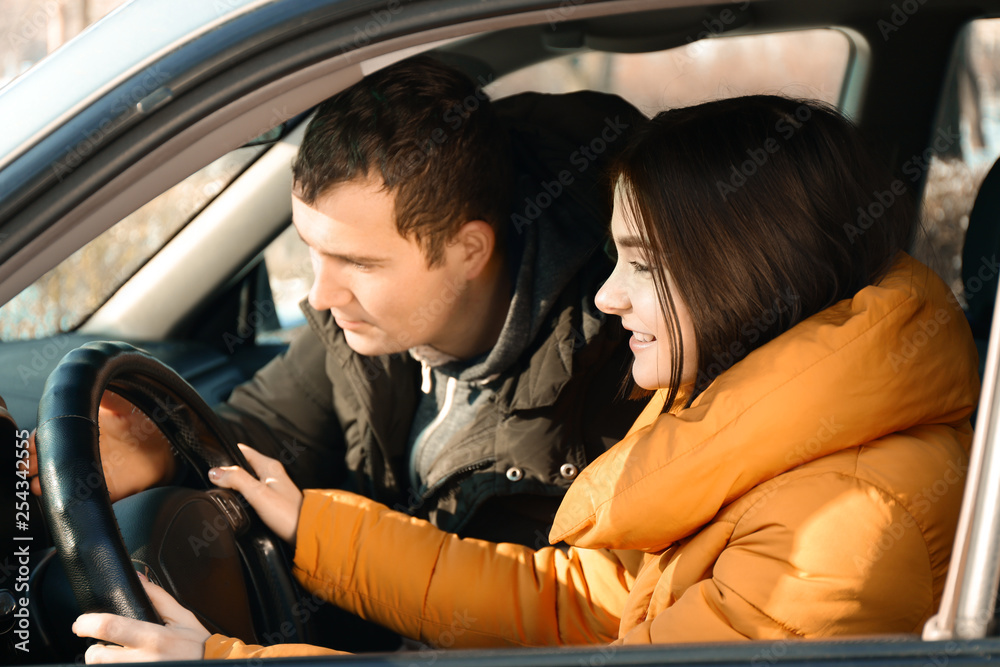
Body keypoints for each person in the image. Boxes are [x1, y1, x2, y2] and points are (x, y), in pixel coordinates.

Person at [71, 94, 980, 661]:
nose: (610, 297)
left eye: (640, 264)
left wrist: (219, 660)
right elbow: (571, 601)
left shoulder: (846, 527)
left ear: (737, 276)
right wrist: (316, 529)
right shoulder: (745, 421)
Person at [27, 56, 645, 550]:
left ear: (468, 250)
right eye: (312, 253)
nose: (320, 295)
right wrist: (161, 448)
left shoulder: (622, 377)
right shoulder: (356, 327)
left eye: (359, 262)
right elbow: (270, 434)